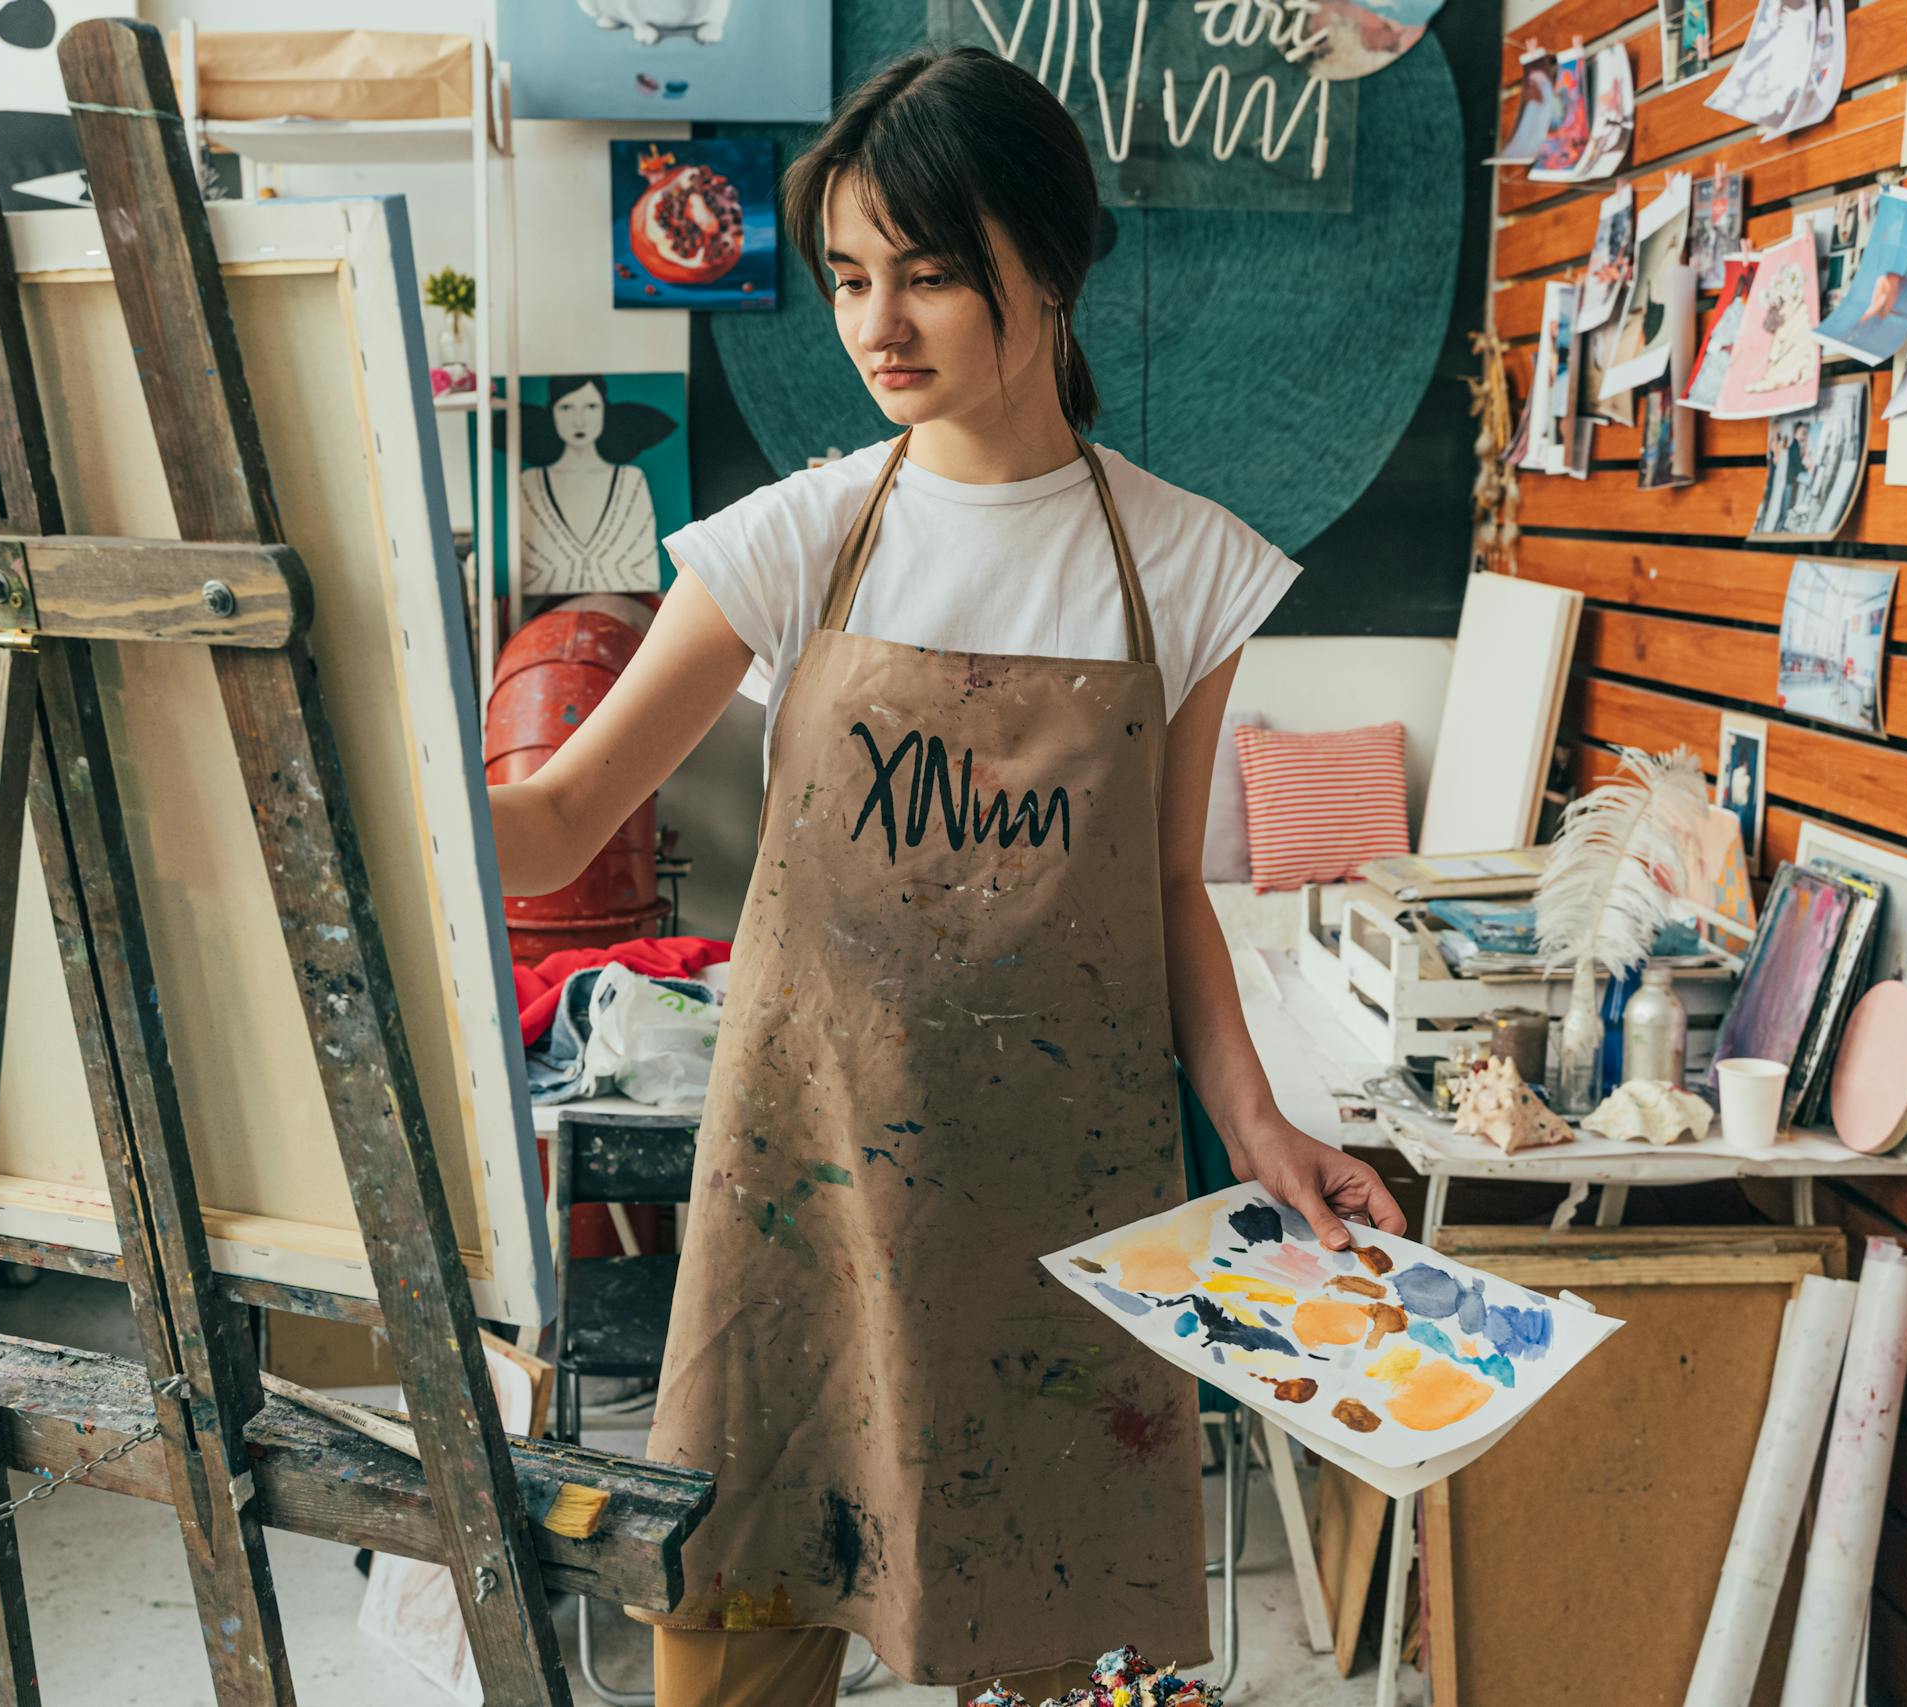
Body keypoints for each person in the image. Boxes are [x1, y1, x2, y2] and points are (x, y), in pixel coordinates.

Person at [484, 46, 1404, 1707]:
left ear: (1045, 271)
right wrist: (362, 768)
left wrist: (1264, 1129)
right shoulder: (796, 538)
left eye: (926, 272)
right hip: (805, 1194)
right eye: (848, 276)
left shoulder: (1186, 565)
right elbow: (551, 824)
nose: (876, 324)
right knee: (739, 1630)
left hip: (1066, 1215)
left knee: (1069, 1650)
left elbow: (1169, 894)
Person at [516, 374, 672, 595]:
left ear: (604, 411)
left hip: (631, 610)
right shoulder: (529, 484)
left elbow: (645, 566)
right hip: (544, 616)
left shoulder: (631, 481)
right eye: (566, 408)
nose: (579, 420)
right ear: (551, 413)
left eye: (590, 406)